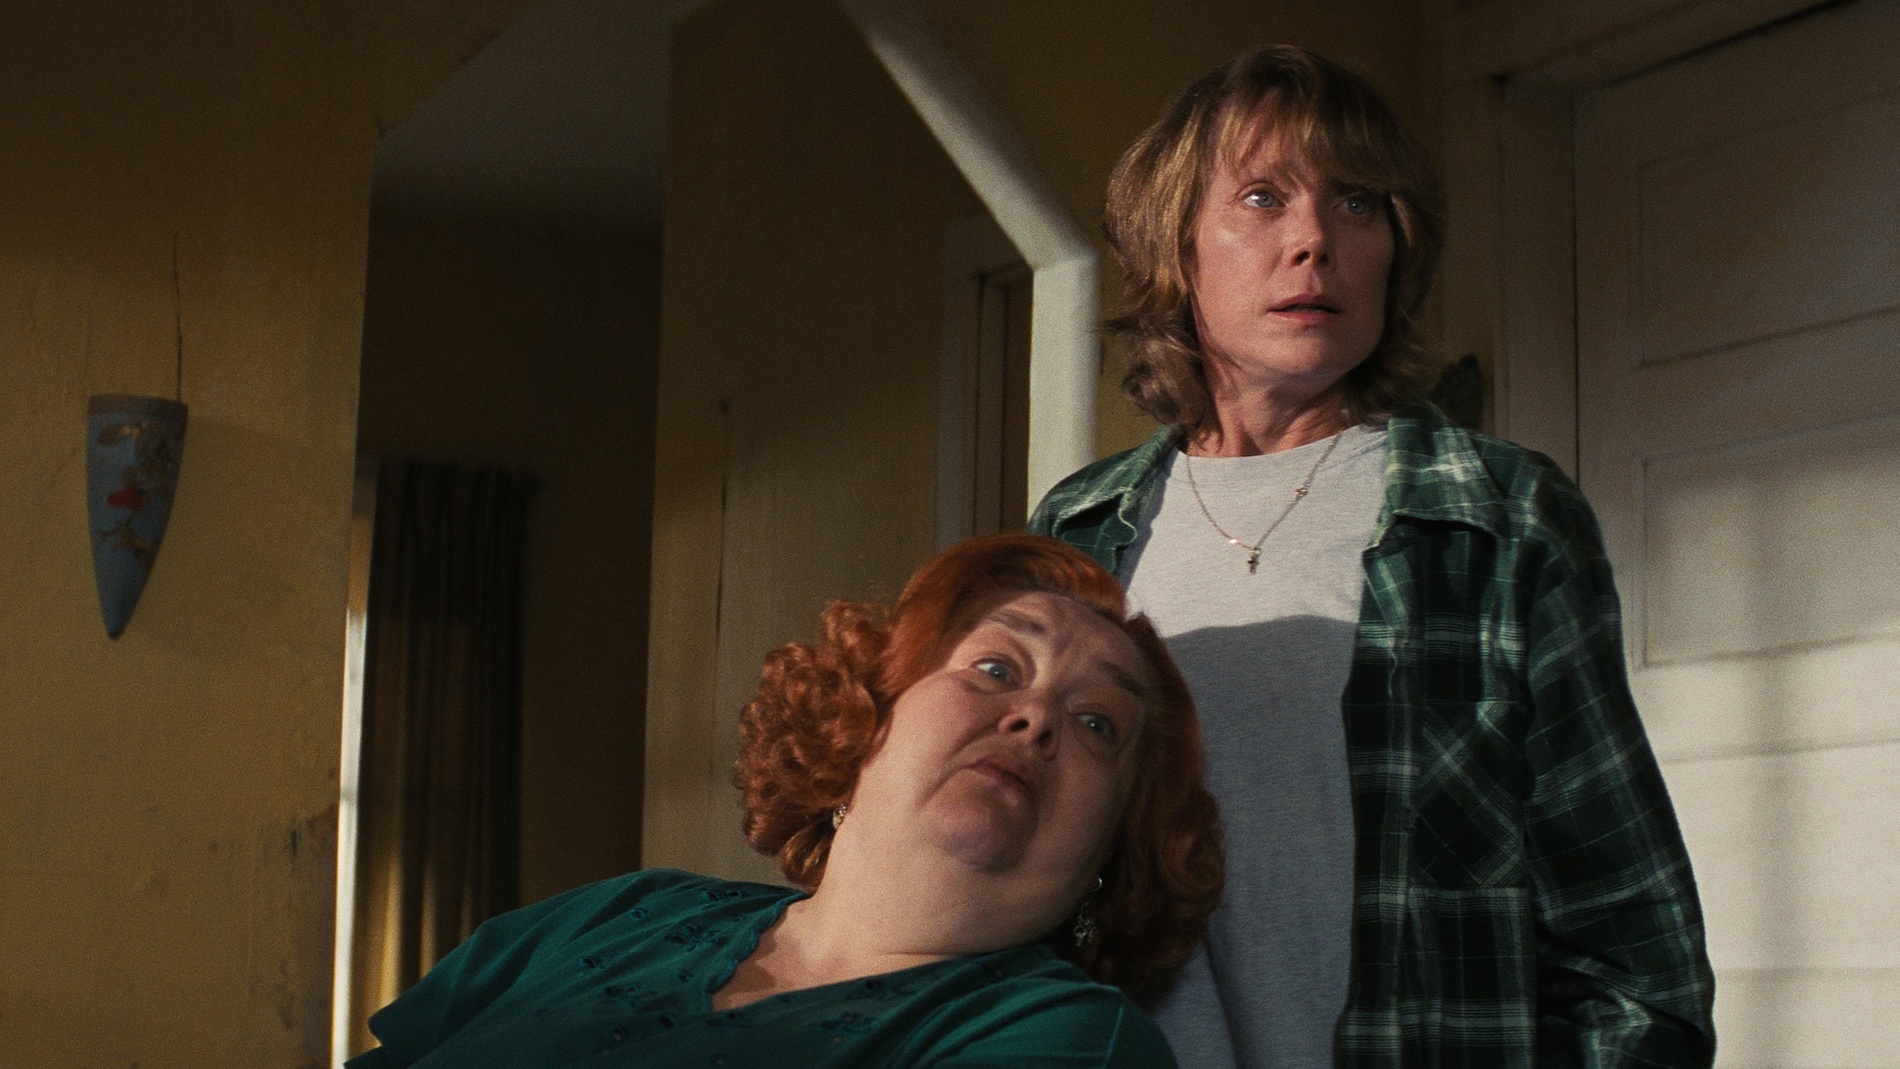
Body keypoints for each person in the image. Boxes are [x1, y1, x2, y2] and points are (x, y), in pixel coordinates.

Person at [1028, 45, 1716, 1068]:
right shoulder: (1077, 531)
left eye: (1357, 203)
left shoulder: (1498, 515)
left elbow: (1636, 968)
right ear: (1175, 246)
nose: (1314, 239)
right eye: (1262, 197)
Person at [346, 533, 1223, 1068]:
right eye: (995, 667)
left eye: (1098, 723)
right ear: (862, 716)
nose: (1036, 717)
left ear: (1115, 844)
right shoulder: (621, 910)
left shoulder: (1070, 1039)